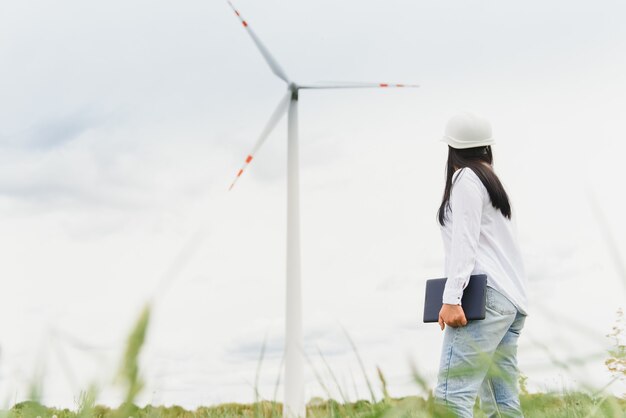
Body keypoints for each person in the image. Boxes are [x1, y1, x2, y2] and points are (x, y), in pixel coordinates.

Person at [434, 112, 529, 417]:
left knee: (452, 398)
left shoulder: (465, 179)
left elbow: (465, 242)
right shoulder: (492, 181)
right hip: (511, 301)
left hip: (484, 300)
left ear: (452, 149)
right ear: (488, 147)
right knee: (502, 405)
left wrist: (451, 298)